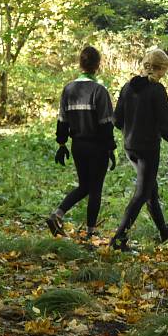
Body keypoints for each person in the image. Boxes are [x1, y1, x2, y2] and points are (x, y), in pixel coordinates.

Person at [109, 48, 168, 251]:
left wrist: (132, 129)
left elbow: (116, 120)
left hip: (130, 148)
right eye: (164, 70)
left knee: (150, 190)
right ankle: (118, 240)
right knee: (142, 194)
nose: (164, 74)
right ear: (160, 69)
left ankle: (164, 231)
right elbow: (164, 126)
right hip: (148, 150)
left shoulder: (127, 87)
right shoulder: (157, 91)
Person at [46, 46, 116, 239]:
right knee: (95, 189)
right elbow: (106, 124)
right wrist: (110, 149)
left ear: (80, 64)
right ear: (97, 65)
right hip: (97, 146)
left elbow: (62, 120)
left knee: (84, 186)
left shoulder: (69, 89)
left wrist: (61, 144)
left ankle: (57, 214)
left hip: (78, 146)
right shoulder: (99, 91)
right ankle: (91, 233)